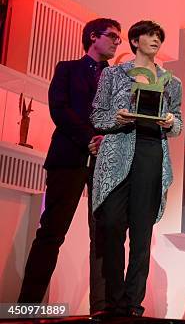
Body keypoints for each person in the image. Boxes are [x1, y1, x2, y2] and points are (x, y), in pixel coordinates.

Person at [18, 18, 121, 313]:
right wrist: (89, 138)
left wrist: (105, 141)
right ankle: (27, 307)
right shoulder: (66, 69)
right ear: (93, 37)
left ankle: (100, 309)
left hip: (104, 164)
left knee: (102, 236)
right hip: (68, 158)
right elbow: (58, 109)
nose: (117, 42)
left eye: (119, 38)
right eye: (112, 36)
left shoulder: (116, 78)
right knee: (51, 232)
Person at [91, 20, 182, 316]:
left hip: (151, 152)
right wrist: (117, 118)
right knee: (112, 224)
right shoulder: (113, 74)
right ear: (134, 41)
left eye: (159, 36)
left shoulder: (172, 82)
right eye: (150, 35)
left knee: (142, 233)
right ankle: (113, 300)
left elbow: (178, 123)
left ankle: (132, 304)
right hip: (118, 150)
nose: (156, 40)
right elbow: (97, 115)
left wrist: (170, 122)